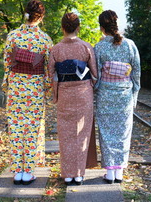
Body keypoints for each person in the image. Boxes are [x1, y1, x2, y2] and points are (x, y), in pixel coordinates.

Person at [2, 0, 52, 185]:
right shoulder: (45, 39)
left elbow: (7, 63)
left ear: (26, 13)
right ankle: (28, 171)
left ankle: (17, 171)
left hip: (16, 87)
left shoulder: (13, 36)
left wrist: (8, 83)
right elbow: (48, 69)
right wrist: (46, 89)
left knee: (15, 128)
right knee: (32, 129)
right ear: (41, 17)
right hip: (35, 89)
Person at [48, 12, 98, 185]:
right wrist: (89, 85)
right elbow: (95, 74)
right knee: (82, 134)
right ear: (78, 28)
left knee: (66, 133)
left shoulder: (56, 49)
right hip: (83, 93)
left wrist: (55, 95)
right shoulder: (86, 47)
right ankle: (79, 174)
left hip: (64, 94)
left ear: (62, 28)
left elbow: (52, 75)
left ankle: (67, 173)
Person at [94, 10, 141, 184]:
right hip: (124, 95)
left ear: (101, 27)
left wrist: (96, 91)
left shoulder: (99, 47)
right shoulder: (130, 44)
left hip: (106, 94)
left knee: (106, 133)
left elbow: (95, 75)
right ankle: (119, 171)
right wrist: (134, 94)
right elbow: (136, 72)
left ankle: (110, 172)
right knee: (123, 132)